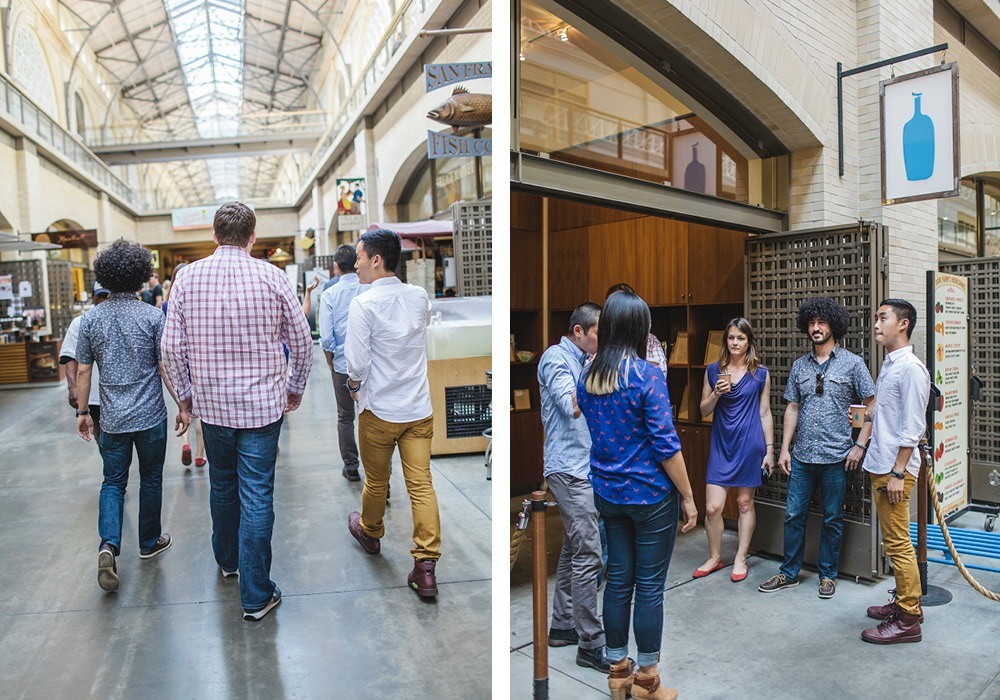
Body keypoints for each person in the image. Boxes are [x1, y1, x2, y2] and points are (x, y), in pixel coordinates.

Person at [161, 201, 313, 621]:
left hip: (212, 408)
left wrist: (186, 397)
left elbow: (171, 348)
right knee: (257, 492)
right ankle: (256, 593)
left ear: (213, 235)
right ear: (253, 237)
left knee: (223, 487)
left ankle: (229, 562)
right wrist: (295, 388)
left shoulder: (187, 277)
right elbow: (302, 341)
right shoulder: (273, 276)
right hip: (263, 408)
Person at [577, 290, 698, 700]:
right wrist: (688, 497)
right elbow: (666, 447)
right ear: (639, 329)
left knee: (617, 584)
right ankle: (647, 681)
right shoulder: (646, 376)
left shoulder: (588, 377)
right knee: (648, 588)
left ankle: (617, 673)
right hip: (650, 498)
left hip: (608, 494)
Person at [73, 240, 188, 593]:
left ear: (105, 277)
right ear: (140, 278)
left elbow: (82, 372)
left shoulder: (90, 320)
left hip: (112, 418)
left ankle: (108, 544)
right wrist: (182, 405)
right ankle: (149, 541)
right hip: (150, 416)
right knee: (151, 479)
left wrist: (81, 412)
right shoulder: (154, 316)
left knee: (113, 482)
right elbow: (164, 366)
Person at [344, 228, 442, 598]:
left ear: (376, 260)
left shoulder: (364, 304)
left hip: (381, 411)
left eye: (359, 257)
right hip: (417, 409)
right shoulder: (418, 296)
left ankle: (370, 533)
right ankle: (426, 566)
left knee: (377, 482)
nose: (355, 264)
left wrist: (354, 389)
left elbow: (356, 363)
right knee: (421, 484)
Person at [759, 299, 875, 598]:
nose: (816, 328)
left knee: (833, 519)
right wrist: (784, 449)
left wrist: (860, 445)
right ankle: (788, 572)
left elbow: (871, 406)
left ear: (833, 326)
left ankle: (827, 575)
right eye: (811, 323)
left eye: (821, 323)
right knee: (793, 516)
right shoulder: (800, 366)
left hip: (837, 457)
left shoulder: (853, 363)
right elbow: (792, 408)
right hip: (802, 457)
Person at [538, 301, 607, 671]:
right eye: (599, 332)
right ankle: (590, 643)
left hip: (585, 465)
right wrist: (603, 370)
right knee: (589, 554)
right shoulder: (555, 359)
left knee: (572, 549)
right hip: (568, 469)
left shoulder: (585, 360)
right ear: (578, 331)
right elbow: (570, 404)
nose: (604, 338)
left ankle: (562, 626)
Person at [860, 299, 929, 644]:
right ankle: (903, 603)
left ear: (902, 324)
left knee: (899, 545)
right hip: (882, 462)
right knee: (893, 541)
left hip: (894, 468)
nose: (876, 323)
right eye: (876, 317)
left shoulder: (911, 369)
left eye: (882, 318)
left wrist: (900, 472)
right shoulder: (890, 364)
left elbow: (914, 427)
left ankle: (909, 617)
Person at [696, 317, 773, 582]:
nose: (735, 342)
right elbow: (703, 410)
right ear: (725, 340)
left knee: (743, 502)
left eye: (740, 338)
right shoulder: (712, 370)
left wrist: (770, 449)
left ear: (749, 341)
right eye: (730, 338)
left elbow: (765, 413)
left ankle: (740, 558)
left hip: (750, 444)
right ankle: (715, 557)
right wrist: (716, 394)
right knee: (713, 507)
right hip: (722, 444)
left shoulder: (760, 373)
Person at [318, 244, 368, 481]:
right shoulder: (368, 289)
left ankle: (351, 467)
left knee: (345, 417)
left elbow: (326, 337)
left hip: (342, 365)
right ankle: (379, 474)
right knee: (372, 417)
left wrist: (330, 362)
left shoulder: (329, 294)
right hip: (370, 365)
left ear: (336, 267)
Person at [61, 282, 110, 450]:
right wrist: (73, 388)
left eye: (107, 296)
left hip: (117, 393)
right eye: (100, 296)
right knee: (102, 440)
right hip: (93, 395)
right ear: (93, 297)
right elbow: (69, 356)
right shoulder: (80, 323)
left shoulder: (120, 319)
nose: (104, 300)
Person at [606, 283, 667, 378]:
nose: (618, 311)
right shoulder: (597, 338)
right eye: (613, 305)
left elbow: (660, 375)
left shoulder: (649, 339)